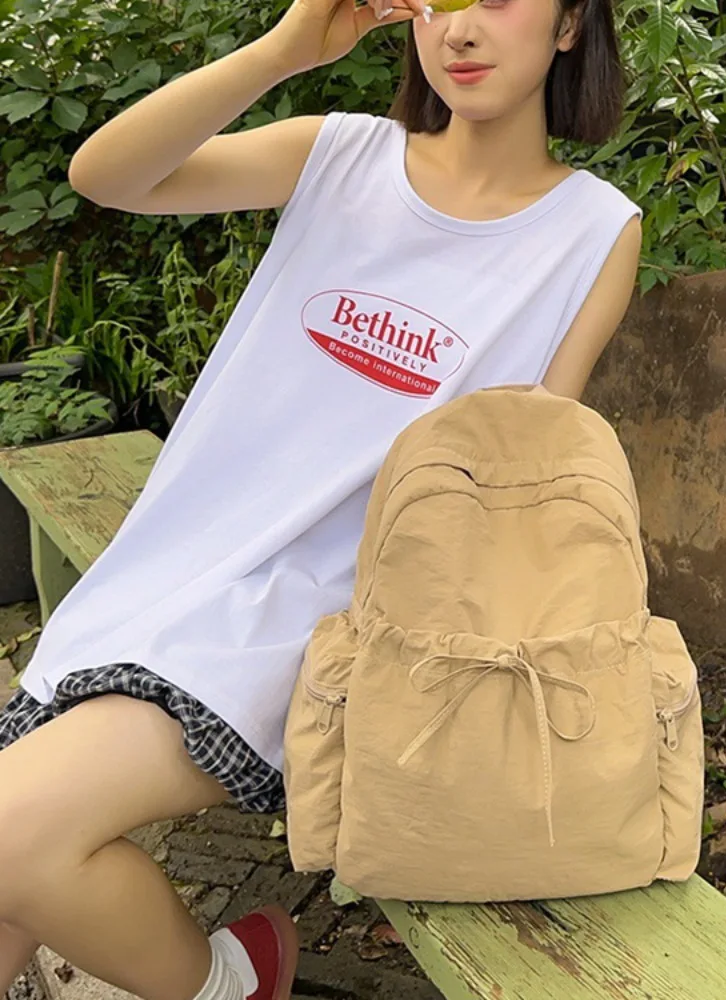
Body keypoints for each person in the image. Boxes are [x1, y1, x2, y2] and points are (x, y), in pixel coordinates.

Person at [0, 0, 641, 996]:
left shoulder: (592, 232)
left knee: (14, 833)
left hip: (320, 623)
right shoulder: (340, 155)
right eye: (440, 1)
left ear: (569, 25)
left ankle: (229, 982)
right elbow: (106, 176)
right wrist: (285, 49)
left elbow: (528, 478)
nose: (460, 29)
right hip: (176, 566)